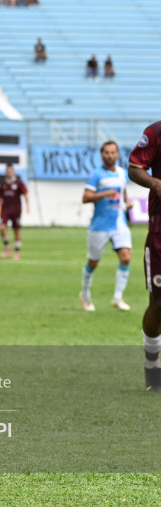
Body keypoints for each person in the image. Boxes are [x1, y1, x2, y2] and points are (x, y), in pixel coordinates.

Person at [128, 121, 161, 392]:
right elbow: (135, 169)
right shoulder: (156, 132)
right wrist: (156, 183)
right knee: (159, 303)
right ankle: (152, 367)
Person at [80, 140, 131, 312]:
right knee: (93, 262)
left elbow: (123, 191)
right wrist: (104, 194)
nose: (110, 155)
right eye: (106, 152)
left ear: (117, 154)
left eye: (112, 152)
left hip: (119, 224)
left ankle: (118, 297)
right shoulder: (97, 175)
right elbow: (85, 198)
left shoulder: (123, 173)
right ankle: (85, 293)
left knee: (126, 257)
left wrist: (127, 202)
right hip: (100, 226)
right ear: (102, 155)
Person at [0, 163, 28, 260]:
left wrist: (28, 205)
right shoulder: (3, 183)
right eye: (8, 171)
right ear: (6, 172)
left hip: (16, 210)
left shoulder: (18, 183)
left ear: (13, 172)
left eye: (11, 171)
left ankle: (17, 252)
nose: (9, 172)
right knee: (1, 228)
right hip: (5, 209)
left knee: (16, 230)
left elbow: (25, 193)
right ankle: (7, 247)